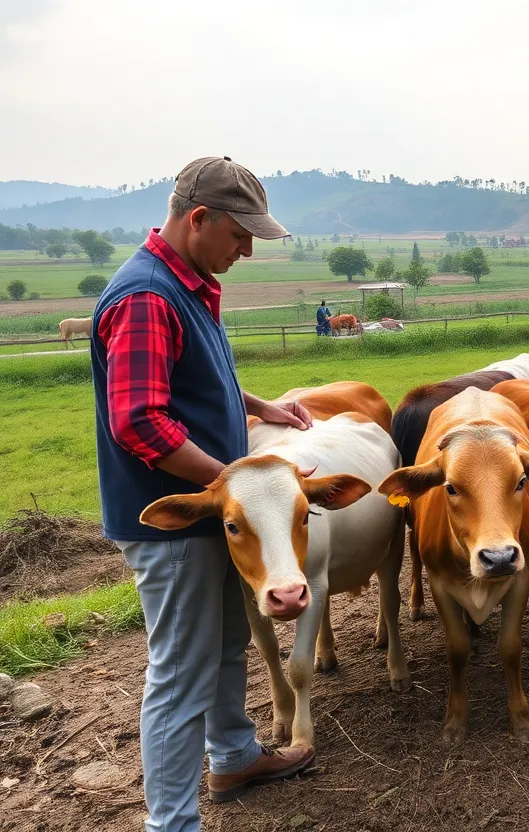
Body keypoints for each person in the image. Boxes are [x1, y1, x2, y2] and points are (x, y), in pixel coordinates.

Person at [91, 156, 317, 832]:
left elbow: (194, 379)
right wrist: (230, 484)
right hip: (175, 519)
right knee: (180, 674)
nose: (245, 249)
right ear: (199, 219)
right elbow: (137, 419)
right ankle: (173, 823)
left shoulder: (185, 284)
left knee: (225, 645)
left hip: (215, 516)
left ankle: (234, 757)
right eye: (240, 235)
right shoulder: (146, 296)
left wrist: (259, 405)